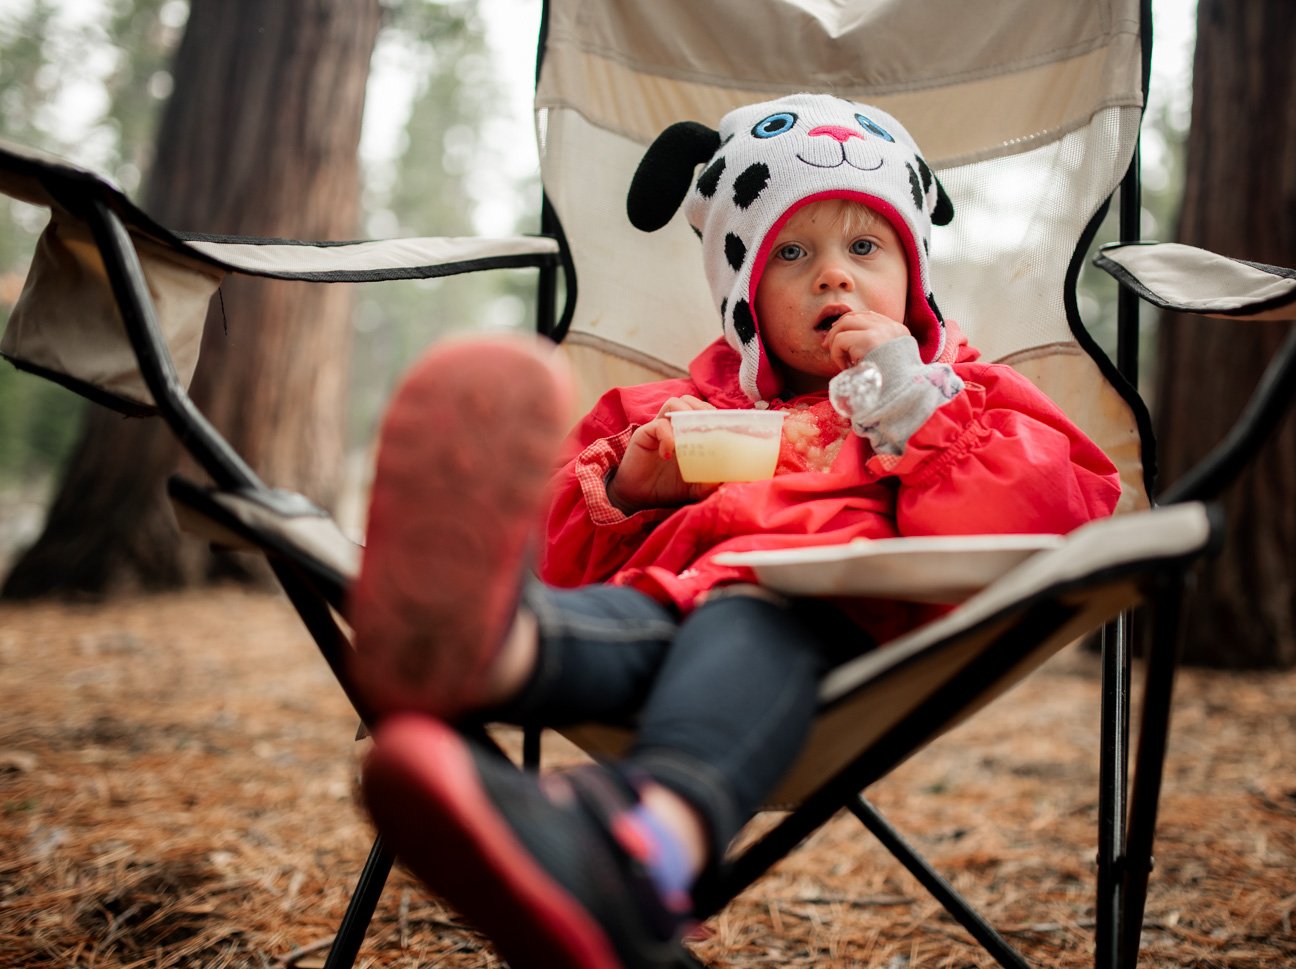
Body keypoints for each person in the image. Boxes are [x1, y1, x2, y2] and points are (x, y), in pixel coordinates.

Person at [350, 93, 1121, 969]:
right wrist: (630, 490)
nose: (833, 276)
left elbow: (1036, 520)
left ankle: (642, 850)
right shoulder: (673, 413)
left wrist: (910, 403)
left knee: (746, 611)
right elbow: (558, 548)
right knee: (635, 615)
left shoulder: (961, 395)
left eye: (865, 247)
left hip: (841, 632)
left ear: (914, 278)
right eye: (792, 252)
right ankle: (487, 648)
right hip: (668, 622)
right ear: (744, 290)